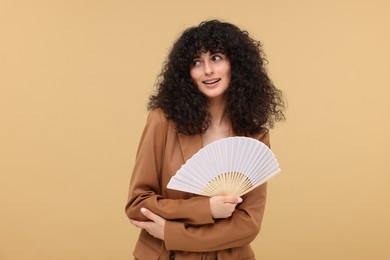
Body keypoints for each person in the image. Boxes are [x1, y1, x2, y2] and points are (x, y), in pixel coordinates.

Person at [125, 19, 285, 260]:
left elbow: (248, 225)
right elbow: (138, 205)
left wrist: (171, 232)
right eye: (196, 62)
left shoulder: (255, 135)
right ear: (187, 73)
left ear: (236, 64)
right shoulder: (162, 121)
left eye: (216, 58)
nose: (208, 70)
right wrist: (205, 209)